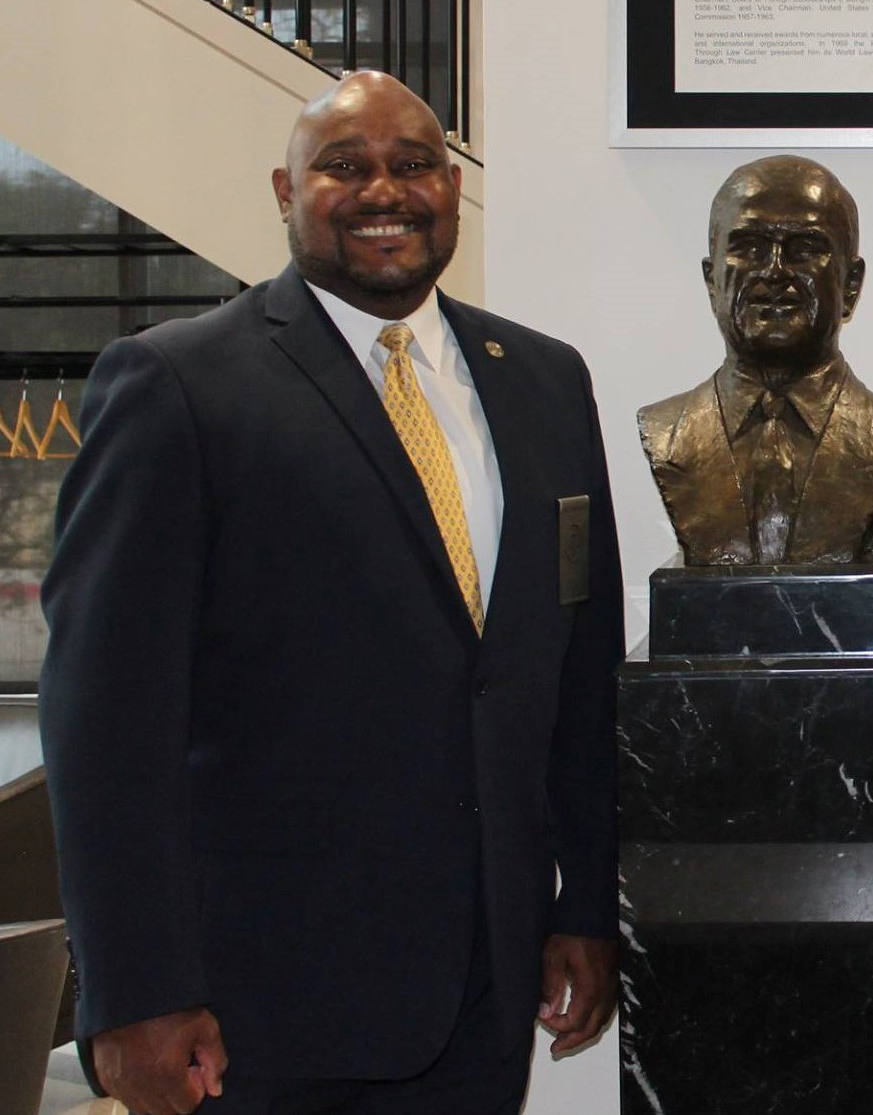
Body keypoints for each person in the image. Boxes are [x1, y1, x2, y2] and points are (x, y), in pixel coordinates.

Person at [39, 71, 624, 1115]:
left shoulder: (543, 379)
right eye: (344, 167)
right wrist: (132, 990)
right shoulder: (178, 385)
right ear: (285, 189)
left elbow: (575, 673)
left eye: (413, 165)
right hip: (263, 1002)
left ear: (451, 186)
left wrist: (580, 903)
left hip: (486, 990)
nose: (383, 191)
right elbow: (104, 722)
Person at [638, 154, 873, 566]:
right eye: (749, 248)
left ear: (851, 284)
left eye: (805, 249)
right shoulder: (667, 430)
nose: (774, 271)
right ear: (711, 281)